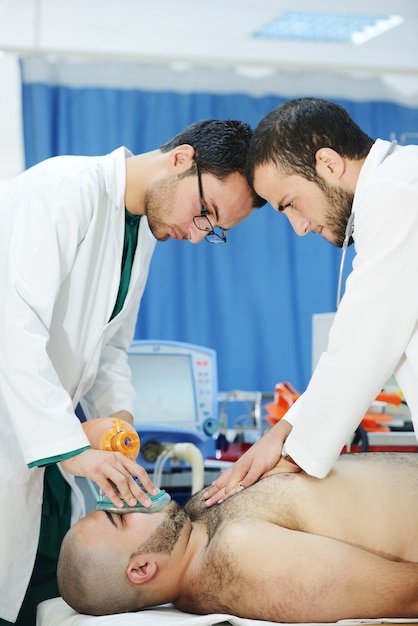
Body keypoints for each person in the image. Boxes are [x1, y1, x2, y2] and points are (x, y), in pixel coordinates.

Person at [0, 119, 265, 626]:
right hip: (27, 435)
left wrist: (118, 421)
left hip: (42, 451)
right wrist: (75, 449)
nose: (195, 234)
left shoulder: (139, 232)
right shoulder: (62, 190)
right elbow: (14, 326)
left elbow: (112, 349)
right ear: (182, 157)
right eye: (204, 213)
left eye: (213, 231)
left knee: (37, 594)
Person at [204, 97, 418, 506]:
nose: (299, 227)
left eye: (290, 204)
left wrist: (292, 455)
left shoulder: (395, 192)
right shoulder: (399, 182)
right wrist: (285, 430)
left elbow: (363, 343)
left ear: (329, 163)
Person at [57, 452, 418, 622]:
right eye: (118, 519)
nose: (126, 499)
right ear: (142, 569)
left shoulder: (196, 517)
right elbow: (406, 594)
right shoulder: (245, 564)